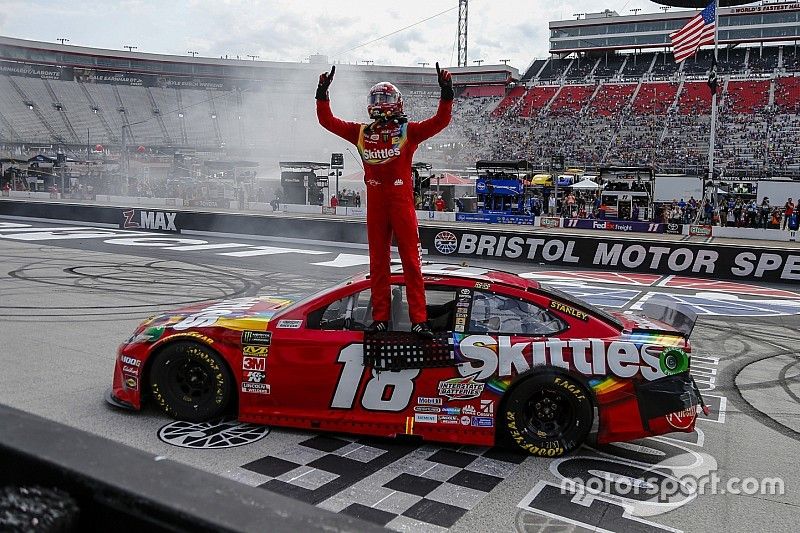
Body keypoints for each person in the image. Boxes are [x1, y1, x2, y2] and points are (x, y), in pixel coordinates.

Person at [316, 63, 453, 337]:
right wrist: (322, 94)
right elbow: (327, 121)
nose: (380, 103)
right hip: (376, 205)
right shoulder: (361, 133)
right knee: (377, 263)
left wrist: (447, 92)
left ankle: (419, 320)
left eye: (385, 98)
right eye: (376, 99)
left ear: (397, 103)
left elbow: (440, 121)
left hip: (401, 204)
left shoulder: (408, 131)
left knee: (411, 262)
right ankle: (380, 317)